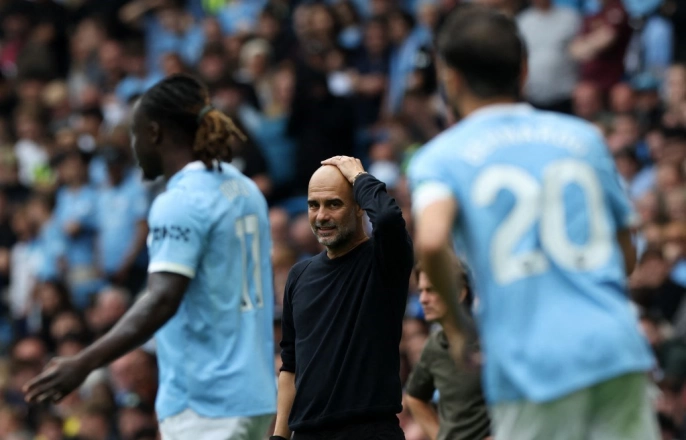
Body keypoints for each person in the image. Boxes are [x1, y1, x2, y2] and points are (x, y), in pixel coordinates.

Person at [408, 6, 658, 440]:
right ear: (524, 70)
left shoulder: (439, 158)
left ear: (451, 78)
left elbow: (430, 241)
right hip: (614, 347)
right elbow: (627, 250)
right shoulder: (584, 137)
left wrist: (462, 333)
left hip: (532, 366)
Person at [23, 74, 277, 440]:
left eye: (134, 134)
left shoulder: (179, 201)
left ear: (154, 132)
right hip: (254, 395)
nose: (133, 146)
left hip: (205, 400)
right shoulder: (244, 188)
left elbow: (162, 298)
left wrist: (83, 362)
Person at [271, 156, 413, 440]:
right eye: (314, 205)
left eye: (334, 204)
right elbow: (291, 366)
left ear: (359, 206)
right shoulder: (299, 275)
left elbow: (387, 218)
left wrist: (359, 176)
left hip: (369, 431)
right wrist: (279, 437)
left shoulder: (382, 259)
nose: (321, 216)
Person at [405, 259, 491, 440]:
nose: (423, 299)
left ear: (460, 292)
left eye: (431, 290)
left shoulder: (490, 339)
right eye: (421, 291)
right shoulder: (434, 345)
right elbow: (414, 398)